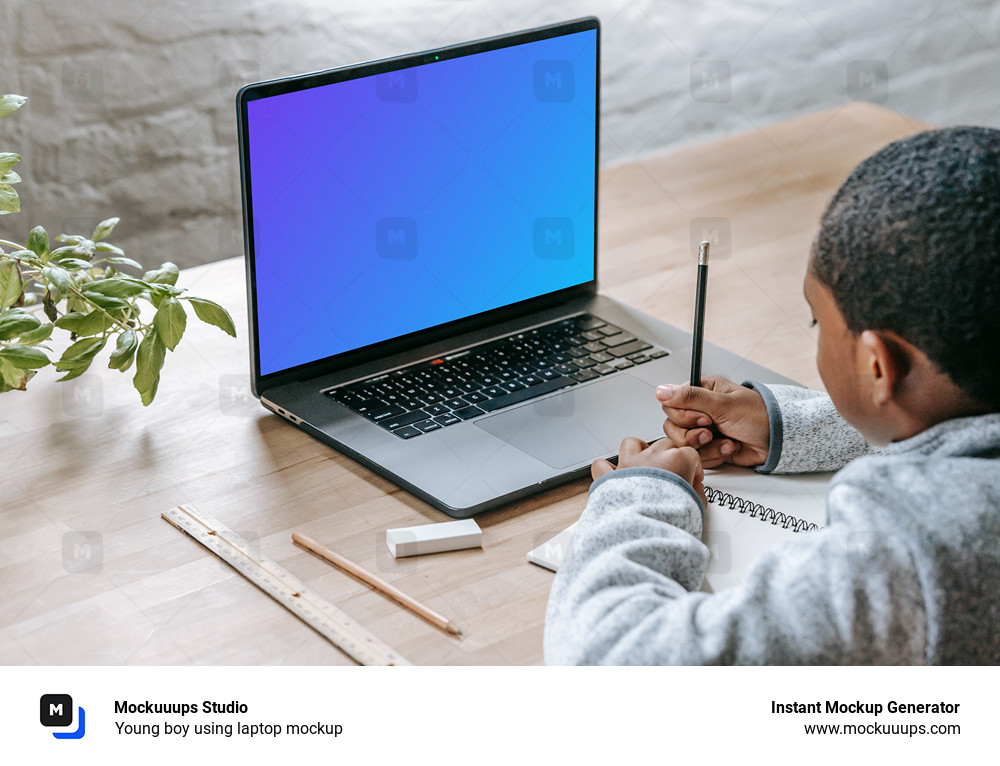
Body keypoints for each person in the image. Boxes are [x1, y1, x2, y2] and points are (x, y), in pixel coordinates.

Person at [543, 126, 1000, 665]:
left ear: (877, 365)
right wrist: (796, 428)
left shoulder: (914, 555)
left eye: (817, 321)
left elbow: (608, 663)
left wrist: (640, 501)